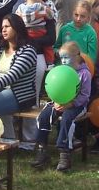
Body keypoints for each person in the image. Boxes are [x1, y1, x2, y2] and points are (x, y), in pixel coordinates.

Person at [31, 40, 91, 172]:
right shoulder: (60, 71)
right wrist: (56, 100)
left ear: (77, 56)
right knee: (44, 116)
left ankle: (64, 153)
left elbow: (85, 96)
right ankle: (42, 149)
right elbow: (54, 88)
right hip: (59, 102)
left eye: (66, 57)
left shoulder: (84, 74)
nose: (63, 61)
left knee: (66, 119)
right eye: (61, 58)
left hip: (77, 106)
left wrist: (71, 104)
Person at [54, 1, 98, 65]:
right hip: (63, 66)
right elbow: (56, 47)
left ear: (88, 18)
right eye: (76, 15)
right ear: (72, 13)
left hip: (80, 67)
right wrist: (59, 52)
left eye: (82, 16)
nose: (78, 19)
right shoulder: (64, 29)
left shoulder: (91, 33)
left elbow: (91, 58)